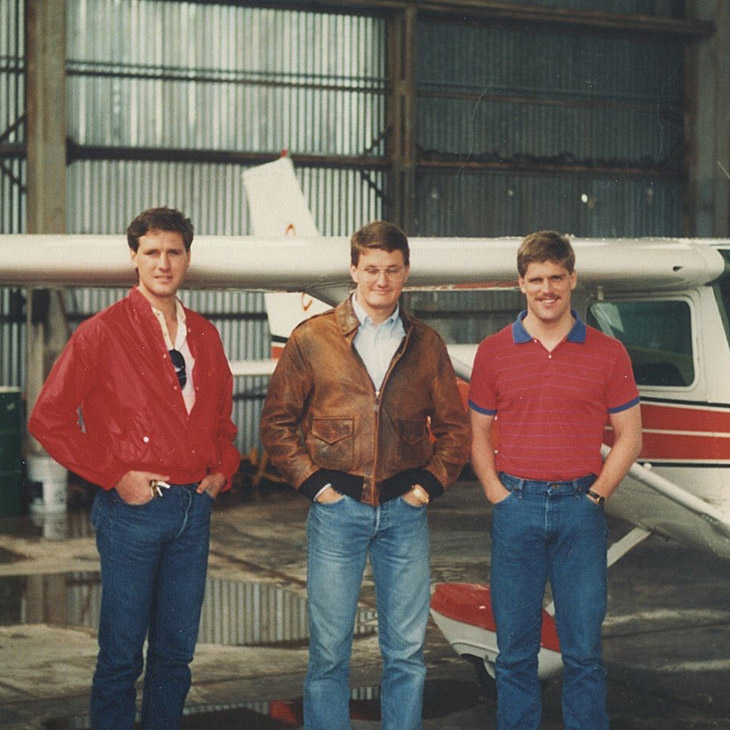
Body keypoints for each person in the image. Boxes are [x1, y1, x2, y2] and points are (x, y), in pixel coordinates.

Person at [29, 207, 240, 730]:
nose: (163, 263)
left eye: (174, 252)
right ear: (134, 258)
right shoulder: (102, 333)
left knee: (176, 656)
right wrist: (114, 475)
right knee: (122, 656)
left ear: (188, 258)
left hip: (194, 509)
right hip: (133, 511)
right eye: (152, 252)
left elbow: (222, 420)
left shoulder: (206, 337)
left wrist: (222, 470)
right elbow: (48, 419)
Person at [260, 220, 470, 730]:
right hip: (338, 513)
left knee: (406, 653)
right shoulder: (312, 339)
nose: (382, 280)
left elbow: (455, 429)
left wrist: (427, 488)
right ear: (353, 269)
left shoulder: (426, 344)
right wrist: (317, 487)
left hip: (404, 514)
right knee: (329, 653)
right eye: (371, 269)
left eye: (392, 270)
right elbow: (276, 423)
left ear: (405, 274)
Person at [469, 230, 642, 730]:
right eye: (536, 279)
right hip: (516, 508)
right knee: (515, 653)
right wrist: (497, 494)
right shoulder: (494, 351)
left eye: (557, 278)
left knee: (584, 652)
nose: (547, 289)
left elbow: (630, 435)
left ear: (573, 280)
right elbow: (477, 433)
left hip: (579, 511)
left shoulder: (609, 353)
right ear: (520, 284)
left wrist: (596, 495)